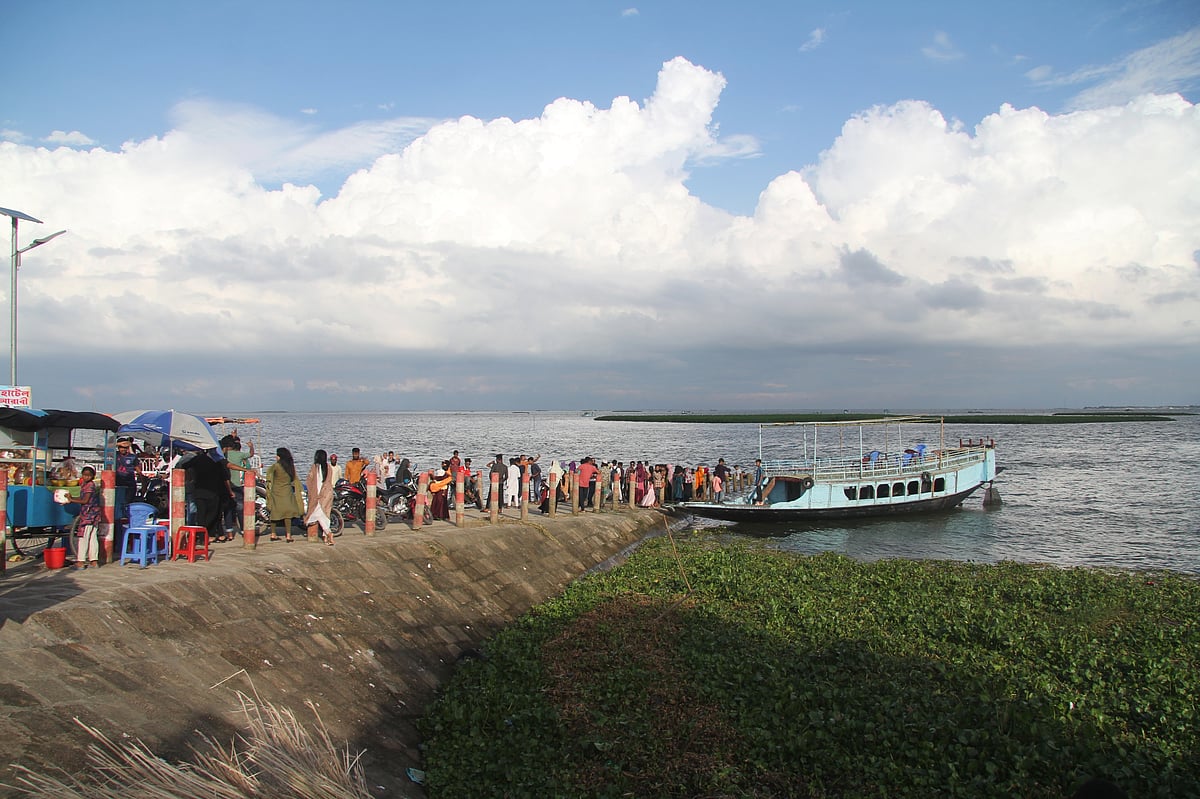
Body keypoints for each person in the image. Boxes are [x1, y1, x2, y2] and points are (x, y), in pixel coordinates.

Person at [65, 466, 102, 569]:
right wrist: (71, 498)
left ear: (92, 476)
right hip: (93, 514)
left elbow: (85, 501)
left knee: (83, 537)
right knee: (92, 537)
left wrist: (72, 500)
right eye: (85, 475)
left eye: (88, 475)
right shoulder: (85, 485)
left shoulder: (90, 486)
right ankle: (93, 561)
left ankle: (81, 561)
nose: (86, 477)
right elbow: (82, 498)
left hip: (89, 515)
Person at [266, 447, 304, 542]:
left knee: (274, 513)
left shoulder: (276, 466)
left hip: (276, 491)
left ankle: (273, 534)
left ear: (279, 456)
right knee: (288, 514)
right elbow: (293, 478)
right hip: (287, 491)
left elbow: (269, 475)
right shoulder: (290, 466)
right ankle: (288, 535)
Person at [305, 449, 336, 545]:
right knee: (325, 514)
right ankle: (325, 537)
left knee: (315, 515)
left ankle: (328, 533)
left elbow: (314, 482)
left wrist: (312, 494)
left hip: (320, 495)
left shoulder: (315, 467)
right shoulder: (328, 467)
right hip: (328, 493)